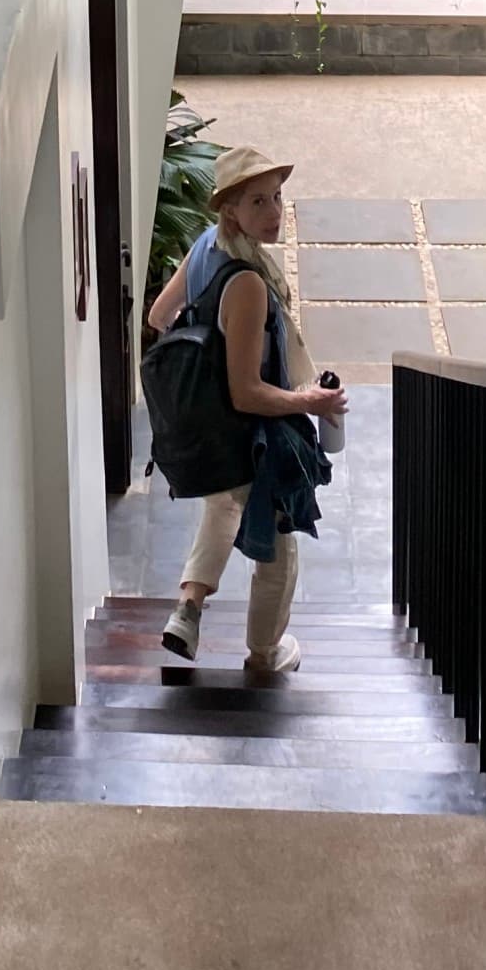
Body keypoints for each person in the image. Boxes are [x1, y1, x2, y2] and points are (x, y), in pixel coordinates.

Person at [145, 141, 347, 676]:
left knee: (222, 510)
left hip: (210, 427)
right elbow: (248, 392)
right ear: (230, 207)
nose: (274, 212)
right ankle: (264, 654)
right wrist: (312, 401)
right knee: (279, 551)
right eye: (257, 201)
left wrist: (205, 355)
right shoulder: (250, 282)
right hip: (251, 431)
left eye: (277, 198)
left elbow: (160, 316)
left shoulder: (207, 245)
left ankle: (188, 607)